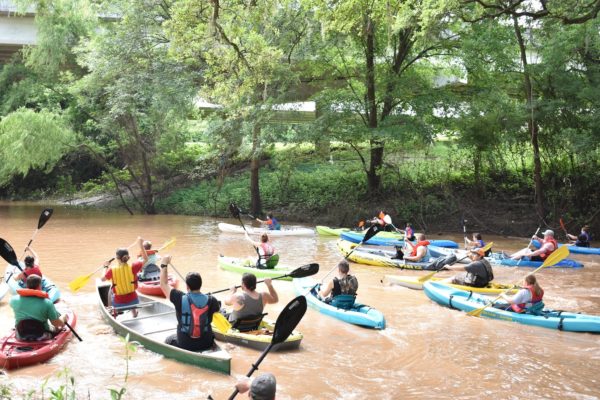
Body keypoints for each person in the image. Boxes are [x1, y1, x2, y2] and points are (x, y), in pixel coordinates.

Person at [159, 255, 221, 351]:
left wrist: (164, 264)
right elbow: (218, 311)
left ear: (187, 286)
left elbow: (163, 284)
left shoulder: (179, 297)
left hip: (185, 343)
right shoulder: (212, 300)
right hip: (206, 342)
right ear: (200, 285)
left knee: (168, 340)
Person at [9, 274, 67, 340]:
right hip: (41, 335)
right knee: (57, 327)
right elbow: (56, 323)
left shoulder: (13, 300)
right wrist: (64, 319)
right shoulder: (47, 302)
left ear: (26, 285)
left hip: (20, 335)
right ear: (40, 286)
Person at [101, 238, 145, 317]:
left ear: (117, 258)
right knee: (131, 290)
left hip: (118, 304)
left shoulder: (112, 270)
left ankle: (111, 310)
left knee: (111, 289)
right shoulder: (134, 266)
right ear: (128, 257)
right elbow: (146, 259)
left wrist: (105, 267)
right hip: (134, 301)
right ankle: (134, 313)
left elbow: (102, 279)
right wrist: (141, 245)